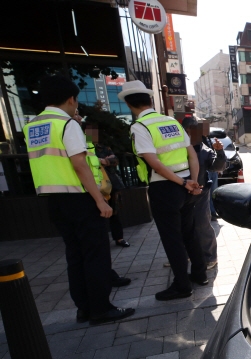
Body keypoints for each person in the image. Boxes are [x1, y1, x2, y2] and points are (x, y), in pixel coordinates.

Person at [24, 75, 134, 324]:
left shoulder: (33, 126)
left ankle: (83, 308)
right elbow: (79, 164)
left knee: (75, 255)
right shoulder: (66, 124)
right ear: (71, 98)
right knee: (95, 254)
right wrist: (99, 200)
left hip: (54, 199)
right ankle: (101, 308)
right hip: (80, 198)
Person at [120, 80, 208, 301]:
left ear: (130, 105)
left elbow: (154, 163)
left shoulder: (140, 127)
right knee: (189, 233)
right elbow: (192, 155)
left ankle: (182, 286)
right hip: (188, 183)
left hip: (166, 187)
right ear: (150, 100)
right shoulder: (171, 122)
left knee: (173, 238)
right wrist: (193, 181)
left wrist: (182, 183)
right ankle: (200, 275)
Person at [182, 117, 226, 270]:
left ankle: (210, 257)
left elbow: (216, 166)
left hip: (200, 193)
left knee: (202, 224)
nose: (190, 135)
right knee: (182, 226)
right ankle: (184, 255)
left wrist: (219, 151)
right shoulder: (176, 149)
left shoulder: (204, 150)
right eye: (186, 132)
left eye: (193, 132)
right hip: (180, 192)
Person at [84, 122, 131, 248]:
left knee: (114, 212)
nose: (92, 135)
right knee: (96, 215)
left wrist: (103, 161)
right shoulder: (82, 148)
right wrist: (103, 160)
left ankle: (119, 238)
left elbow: (115, 160)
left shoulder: (103, 148)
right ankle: (100, 241)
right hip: (92, 186)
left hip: (111, 184)